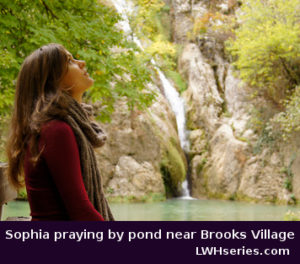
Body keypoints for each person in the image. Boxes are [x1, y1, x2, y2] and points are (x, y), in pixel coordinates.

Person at [6, 43, 114, 221]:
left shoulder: (55, 126)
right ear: (52, 80)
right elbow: (80, 211)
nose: (82, 63)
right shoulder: (56, 130)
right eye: (70, 61)